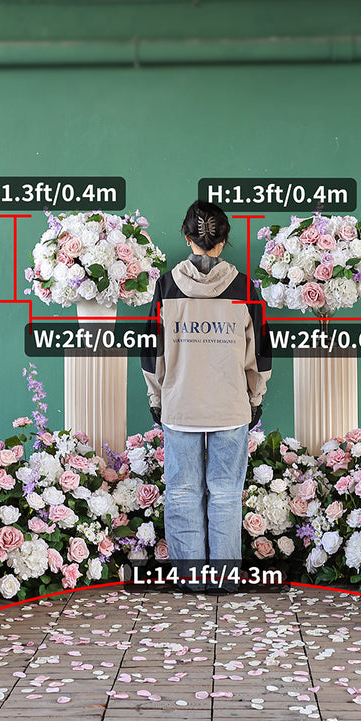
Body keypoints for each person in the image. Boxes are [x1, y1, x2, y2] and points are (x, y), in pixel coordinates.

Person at [140, 200, 272, 593]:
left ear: (188, 238)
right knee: (227, 493)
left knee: (181, 491)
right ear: (224, 240)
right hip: (231, 408)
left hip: (180, 406)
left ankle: (191, 579)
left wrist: (157, 399)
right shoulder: (245, 288)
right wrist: (255, 396)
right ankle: (226, 581)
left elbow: (152, 354)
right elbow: (260, 354)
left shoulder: (165, 287)